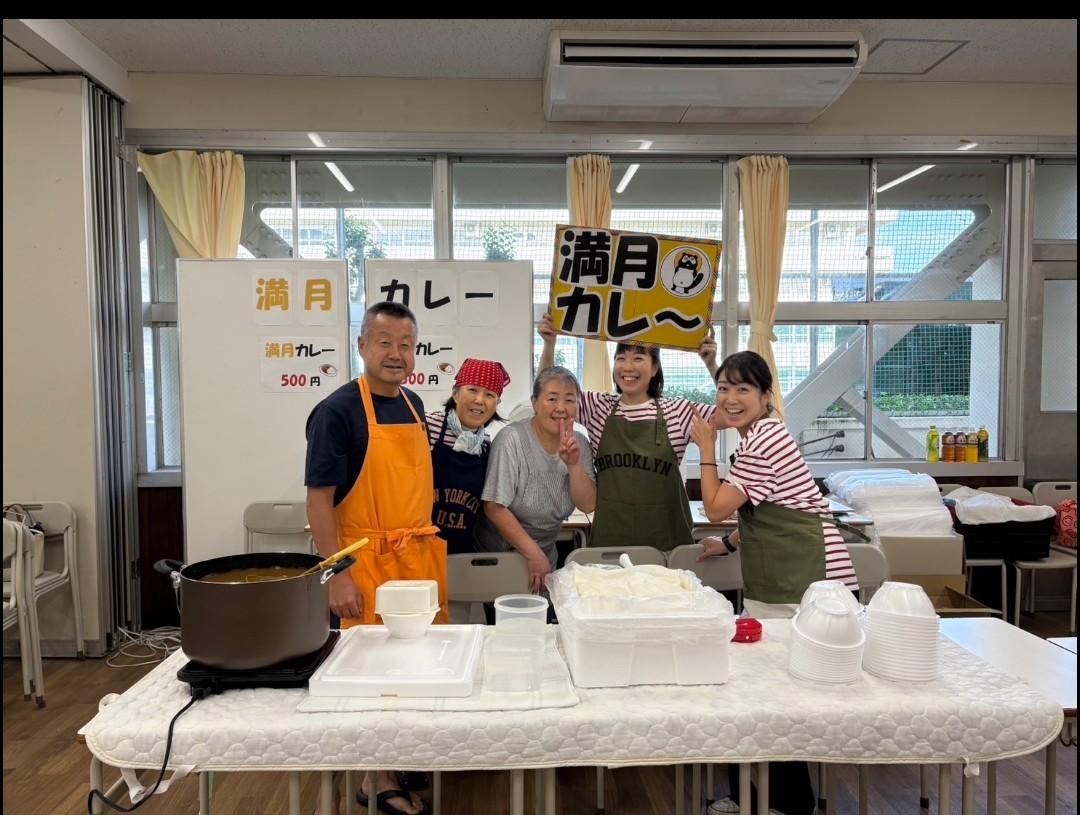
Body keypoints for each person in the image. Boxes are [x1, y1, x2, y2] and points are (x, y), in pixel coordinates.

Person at [690, 349, 858, 815]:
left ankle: (787, 804)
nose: (730, 397)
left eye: (743, 389)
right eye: (723, 388)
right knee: (759, 690)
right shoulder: (760, 434)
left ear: (766, 396)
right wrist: (727, 544)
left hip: (810, 586)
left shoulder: (763, 439)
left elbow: (717, 506)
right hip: (787, 579)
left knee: (779, 698)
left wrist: (705, 449)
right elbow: (771, 507)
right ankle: (751, 795)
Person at [305, 300, 440, 815]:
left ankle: (395, 762)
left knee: (415, 670)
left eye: (405, 344)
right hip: (365, 561)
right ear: (362, 346)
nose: (395, 353)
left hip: (417, 561)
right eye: (383, 342)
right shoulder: (337, 412)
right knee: (373, 678)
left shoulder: (414, 405)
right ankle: (377, 778)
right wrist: (338, 573)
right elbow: (319, 502)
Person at [538, 311, 719, 552]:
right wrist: (549, 344)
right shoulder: (597, 407)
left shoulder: (679, 411)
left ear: (655, 368)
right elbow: (548, 393)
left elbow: (734, 413)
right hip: (610, 547)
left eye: (638, 358)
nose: (627, 366)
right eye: (621, 358)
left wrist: (712, 364)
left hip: (666, 548)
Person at [473, 365, 597, 595]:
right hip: (501, 555)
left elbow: (588, 504)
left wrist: (573, 464)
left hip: (544, 554)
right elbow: (493, 506)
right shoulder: (512, 439)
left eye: (569, 400)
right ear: (535, 403)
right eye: (552, 398)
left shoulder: (579, 442)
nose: (561, 408)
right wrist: (533, 554)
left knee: (544, 623)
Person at [425, 358, 511, 555]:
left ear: (496, 403)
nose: (480, 400)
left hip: (463, 550)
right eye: (472, 390)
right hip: (423, 546)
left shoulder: (486, 443)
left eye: (489, 395)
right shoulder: (428, 427)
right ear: (455, 393)